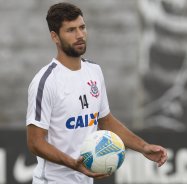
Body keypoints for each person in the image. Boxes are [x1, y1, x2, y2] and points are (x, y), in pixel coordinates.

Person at [26, 2, 168, 184]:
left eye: (82, 27)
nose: (80, 35)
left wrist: (143, 147)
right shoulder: (45, 82)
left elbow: (105, 120)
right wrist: (73, 164)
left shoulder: (94, 71)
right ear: (55, 37)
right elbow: (35, 142)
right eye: (70, 30)